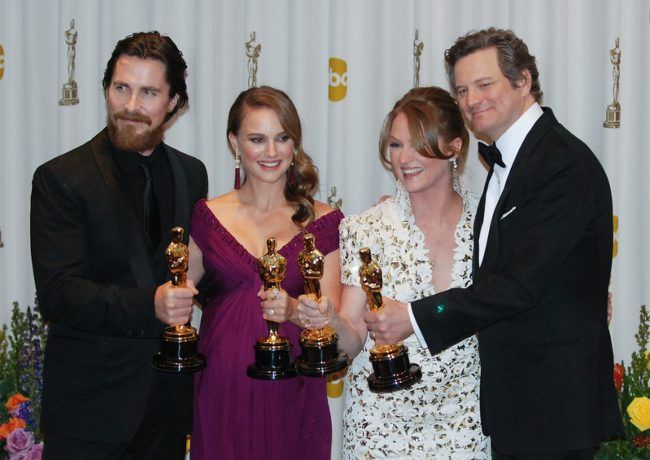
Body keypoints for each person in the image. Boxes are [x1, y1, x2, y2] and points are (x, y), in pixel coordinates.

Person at [365, 28, 624, 458]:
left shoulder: (559, 164)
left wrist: (415, 316)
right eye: (463, 89)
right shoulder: (515, 160)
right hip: (521, 405)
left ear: (523, 80)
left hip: (552, 407)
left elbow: (518, 285)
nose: (471, 100)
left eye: (485, 84)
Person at [30, 31, 207, 459]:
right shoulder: (62, 178)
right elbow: (59, 295)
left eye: (148, 92)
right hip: (89, 411)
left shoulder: (192, 174)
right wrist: (152, 304)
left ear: (174, 103)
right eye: (121, 88)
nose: (131, 106)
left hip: (166, 410)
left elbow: (197, 273)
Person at [299, 86, 490, 458]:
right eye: (396, 145)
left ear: (453, 147)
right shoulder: (365, 228)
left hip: (466, 419)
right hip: (380, 427)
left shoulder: (487, 227)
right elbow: (353, 338)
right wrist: (330, 321)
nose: (405, 158)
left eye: (418, 143)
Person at [187, 86, 343, 460]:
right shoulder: (207, 217)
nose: (271, 152)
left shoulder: (324, 222)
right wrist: (166, 299)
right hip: (221, 385)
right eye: (257, 139)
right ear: (235, 143)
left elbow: (332, 321)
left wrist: (294, 311)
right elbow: (179, 293)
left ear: (294, 145)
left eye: (282, 138)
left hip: (293, 390)